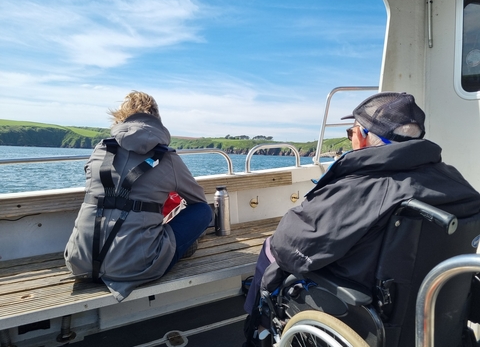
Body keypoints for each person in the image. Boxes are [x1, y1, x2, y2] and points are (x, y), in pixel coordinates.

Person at [242, 91, 480, 346]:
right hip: (431, 323)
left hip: (366, 320)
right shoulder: (457, 183)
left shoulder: (363, 188)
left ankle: (259, 329)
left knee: (271, 248)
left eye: (351, 131)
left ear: (364, 137)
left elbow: (289, 246)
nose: (351, 138)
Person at [64, 91, 212, 302]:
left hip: (79, 260)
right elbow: (197, 201)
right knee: (203, 211)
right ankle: (178, 249)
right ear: (156, 120)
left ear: (120, 118)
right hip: (137, 267)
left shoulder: (101, 149)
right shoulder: (167, 157)